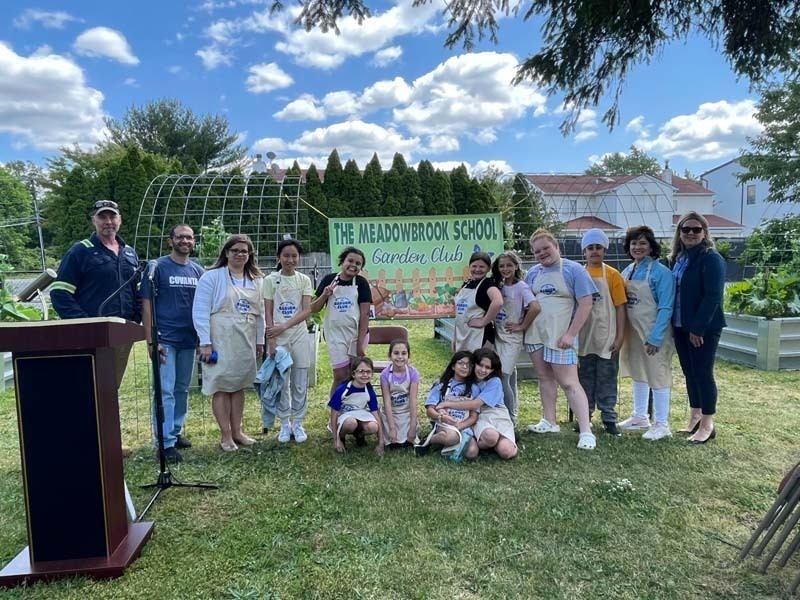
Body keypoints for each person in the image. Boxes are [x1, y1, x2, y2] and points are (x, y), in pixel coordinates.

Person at [50, 199, 142, 456]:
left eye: (112, 217)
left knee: (109, 390)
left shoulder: (129, 252)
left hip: (121, 336)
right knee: (86, 390)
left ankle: (107, 442)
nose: (108, 222)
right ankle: (82, 441)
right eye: (102, 217)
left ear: (120, 220)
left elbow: (135, 291)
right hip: (91, 336)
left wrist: (134, 320)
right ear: (93, 221)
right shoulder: (81, 251)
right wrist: (84, 324)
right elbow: (59, 292)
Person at [524, 229, 598, 451]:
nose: (542, 254)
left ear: (556, 246)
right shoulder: (533, 273)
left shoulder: (574, 270)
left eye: (546, 248)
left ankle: (586, 430)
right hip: (537, 333)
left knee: (569, 382)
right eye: (537, 251)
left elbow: (586, 304)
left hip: (561, 335)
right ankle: (549, 420)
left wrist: (571, 334)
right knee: (544, 377)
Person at [192, 234, 265, 452]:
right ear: (226, 252)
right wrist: (205, 341)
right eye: (235, 251)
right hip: (219, 337)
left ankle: (237, 431)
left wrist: (260, 340)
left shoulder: (257, 280)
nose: (240, 254)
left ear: (250, 255)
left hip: (245, 337)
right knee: (222, 385)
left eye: (244, 251)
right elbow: (200, 310)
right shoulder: (211, 277)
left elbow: (260, 313)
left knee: (239, 384)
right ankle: (225, 435)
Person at [140, 224, 204, 464]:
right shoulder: (157, 268)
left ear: (194, 241)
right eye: (180, 237)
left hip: (189, 339)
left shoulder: (198, 271)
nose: (185, 241)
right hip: (165, 339)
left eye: (189, 237)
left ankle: (175, 432)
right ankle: (164, 443)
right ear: (170, 241)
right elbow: (147, 304)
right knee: (164, 390)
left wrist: (202, 338)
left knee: (181, 389)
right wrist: (150, 339)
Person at [669, 212, 726, 444]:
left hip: (703, 328)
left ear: (704, 233)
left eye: (696, 229)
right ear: (679, 233)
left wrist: (698, 328)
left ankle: (707, 424)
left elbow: (713, 296)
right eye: (686, 229)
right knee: (689, 372)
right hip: (681, 325)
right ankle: (694, 419)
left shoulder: (711, 259)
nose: (691, 233)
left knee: (703, 373)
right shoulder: (678, 259)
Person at [618, 225, 675, 441]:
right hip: (633, 332)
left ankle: (662, 423)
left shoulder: (662, 273)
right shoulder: (628, 271)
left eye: (643, 243)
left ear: (652, 247)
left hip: (653, 332)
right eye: (634, 243)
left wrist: (656, 336)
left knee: (657, 374)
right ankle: (640, 416)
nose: (637, 247)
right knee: (638, 371)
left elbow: (666, 307)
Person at [577, 229, 627, 436]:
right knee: (584, 377)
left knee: (607, 377)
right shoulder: (579, 273)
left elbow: (620, 307)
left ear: (605, 250)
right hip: (584, 335)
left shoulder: (613, 275)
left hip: (607, 333)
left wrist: (620, 336)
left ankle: (609, 417)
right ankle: (585, 416)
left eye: (598, 247)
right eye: (590, 248)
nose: (594, 251)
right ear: (584, 251)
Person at [263, 239, 313, 444]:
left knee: (300, 381)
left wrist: (284, 326)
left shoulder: (304, 280)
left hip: (299, 335)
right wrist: (272, 339)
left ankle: (298, 422)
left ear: (299, 258)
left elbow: (307, 311)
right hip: (277, 337)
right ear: (279, 258)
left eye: (294, 256)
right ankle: (285, 423)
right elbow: (267, 311)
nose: (290, 260)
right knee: (281, 381)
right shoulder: (270, 280)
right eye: (286, 256)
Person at [311, 246, 372, 395]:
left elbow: (364, 315)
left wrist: (359, 344)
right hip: (335, 336)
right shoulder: (329, 280)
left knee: (357, 375)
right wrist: (325, 295)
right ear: (342, 261)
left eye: (358, 264)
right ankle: (335, 410)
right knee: (340, 376)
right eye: (350, 261)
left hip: (356, 336)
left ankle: (356, 407)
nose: (353, 265)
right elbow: (313, 308)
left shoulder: (362, 283)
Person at [438, 349, 517, 460]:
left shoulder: (495, 381)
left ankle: (497, 443)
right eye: (480, 365)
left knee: (506, 452)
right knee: (491, 436)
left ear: (493, 370)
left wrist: (447, 404)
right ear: (474, 364)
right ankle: (484, 442)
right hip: (480, 415)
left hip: (497, 415)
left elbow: (475, 404)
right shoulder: (467, 379)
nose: (483, 370)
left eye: (488, 367)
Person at [491, 251, 540, 425]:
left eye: (509, 265)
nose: (505, 269)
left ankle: (510, 418)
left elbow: (535, 307)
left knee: (502, 376)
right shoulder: (499, 285)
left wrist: (522, 326)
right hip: (499, 334)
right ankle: (514, 412)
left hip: (512, 337)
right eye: (502, 266)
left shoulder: (521, 287)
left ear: (516, 266)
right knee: (510, 375)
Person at [416, 350, 479, 458]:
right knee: (452, 437)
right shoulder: (441, 385)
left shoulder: (474, 389)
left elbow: (474, 416)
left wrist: (460, 426)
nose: (464, 367)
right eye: (461, 363)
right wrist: (441, 417)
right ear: (453, 366)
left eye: (468, 365)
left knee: (472, 453)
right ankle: (429, 440)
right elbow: (430, 410)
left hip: (463, 425)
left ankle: (443, 442)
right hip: (444, 423)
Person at [328, 356, 384, 455]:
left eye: (368, 372)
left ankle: (359, 435)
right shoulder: (342, 389)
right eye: (361, 371)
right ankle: (341, 437)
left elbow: (376, 414)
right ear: (353, 374)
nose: (365, 374)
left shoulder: (369, 391)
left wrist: (380, 443)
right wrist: (335, 440)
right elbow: (333, 414)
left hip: (361, 414)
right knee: (350, 423)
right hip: (345, 416)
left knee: (373, 427)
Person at [452, 251, 504, 352]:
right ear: (469, 266)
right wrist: (455, 338)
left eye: (482, 267)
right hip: (463, 335)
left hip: (480, 336)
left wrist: (483, 321)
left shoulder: (487, 284)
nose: (477, 269)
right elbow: (459, 314)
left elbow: (498, 302)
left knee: (478, 367)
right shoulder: (467, 283)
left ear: (488, 268)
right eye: (474, 266)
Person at [379, 339, 420, 448]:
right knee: (392, 443)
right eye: (396, 353)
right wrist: (392, 428)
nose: (400, 357)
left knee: (409, 440)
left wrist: (412, 426)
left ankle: (408, 435)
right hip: (391, 413)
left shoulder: (413, 373)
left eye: (404, 353)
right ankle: (390, 436)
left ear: (408, 355)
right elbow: (387, 402)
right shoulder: (385, 375)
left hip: (406, 412)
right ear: (390, 355)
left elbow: (413, 400)